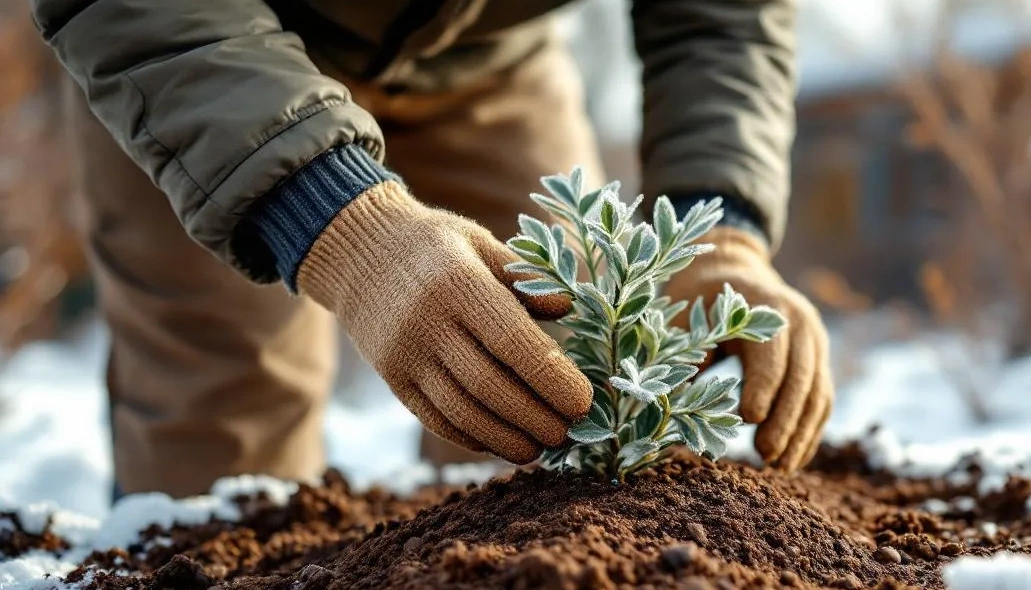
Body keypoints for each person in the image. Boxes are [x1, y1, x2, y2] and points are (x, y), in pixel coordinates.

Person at [34, 0, 833, 499]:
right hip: (199, 56)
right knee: (220, 445)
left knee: (554, 386)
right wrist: (341, 227)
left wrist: (718, 225)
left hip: (490, 59)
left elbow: (724, 15)